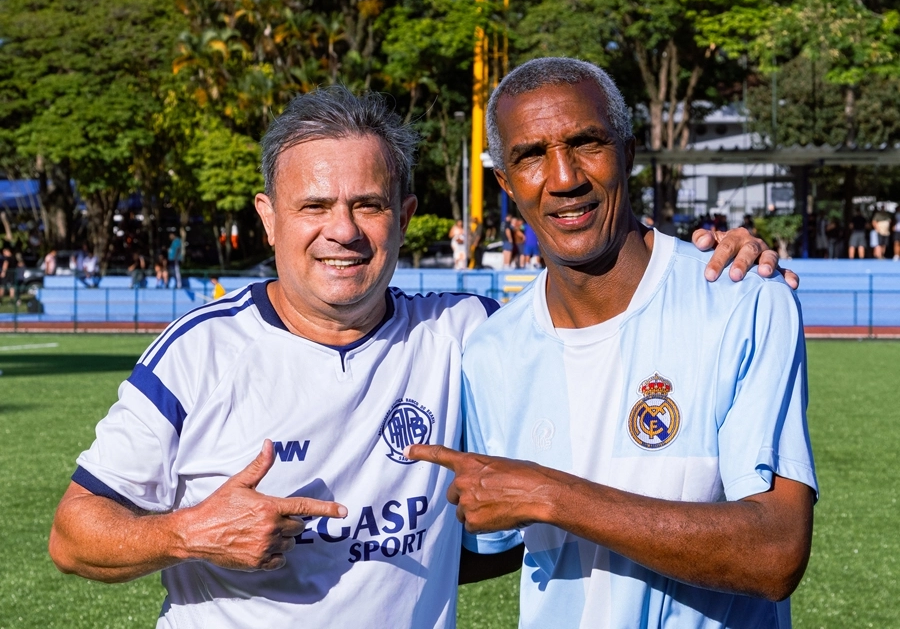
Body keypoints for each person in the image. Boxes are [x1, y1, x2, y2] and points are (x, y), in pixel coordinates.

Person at [49, 86, 792, 628]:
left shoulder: (470, 334)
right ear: (268, 218)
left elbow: (593, 285)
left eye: (367, 205)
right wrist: (190, 532)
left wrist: (709, 249)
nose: (342, 231)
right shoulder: (197, 352)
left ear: (403, 217)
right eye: (313, 207)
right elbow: (74, 534)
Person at [409, 58, 816, 629]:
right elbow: (487, 543)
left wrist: (551, 494)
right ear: (505, 183)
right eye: (530, 156)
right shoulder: (492, 350)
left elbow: (775, 553)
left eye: (586, 143)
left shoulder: (742, 303)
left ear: (628, 152)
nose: (564, 176)